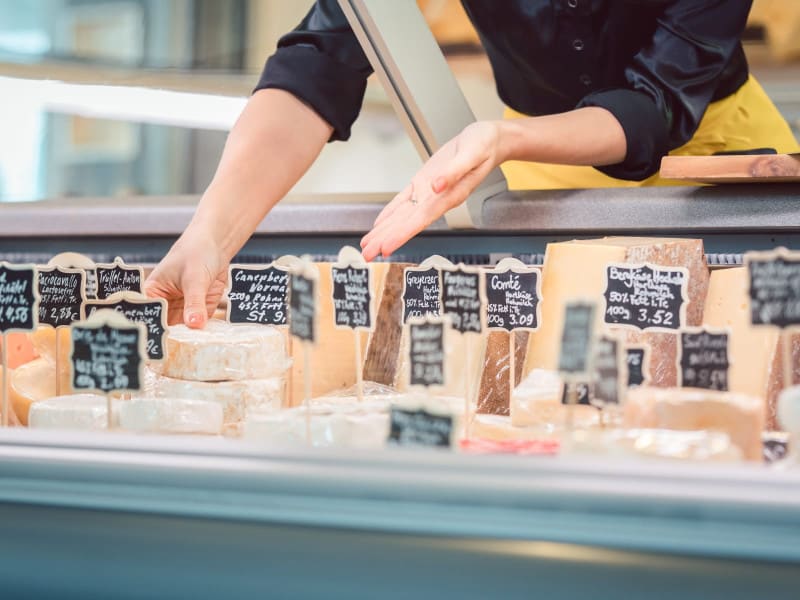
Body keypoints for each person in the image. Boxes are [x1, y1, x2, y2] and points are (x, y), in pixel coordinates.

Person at [146, 0, 799, 328]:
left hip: (722, 169)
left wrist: (508, 140)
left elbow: (654, 105)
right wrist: (211, 233)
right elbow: (323, 58)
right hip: (546, 178)